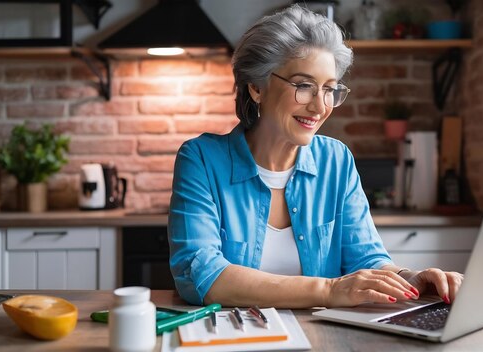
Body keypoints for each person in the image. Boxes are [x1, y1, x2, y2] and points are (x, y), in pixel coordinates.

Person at [168, 4, 463, 308]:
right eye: (304, 86)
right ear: (257, 86)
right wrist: (327, 290)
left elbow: (366, 258)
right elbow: (200, 275)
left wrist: (407, 277)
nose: (320, 106)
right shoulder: (201, 159)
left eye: (330, 90)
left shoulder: (336, 160)